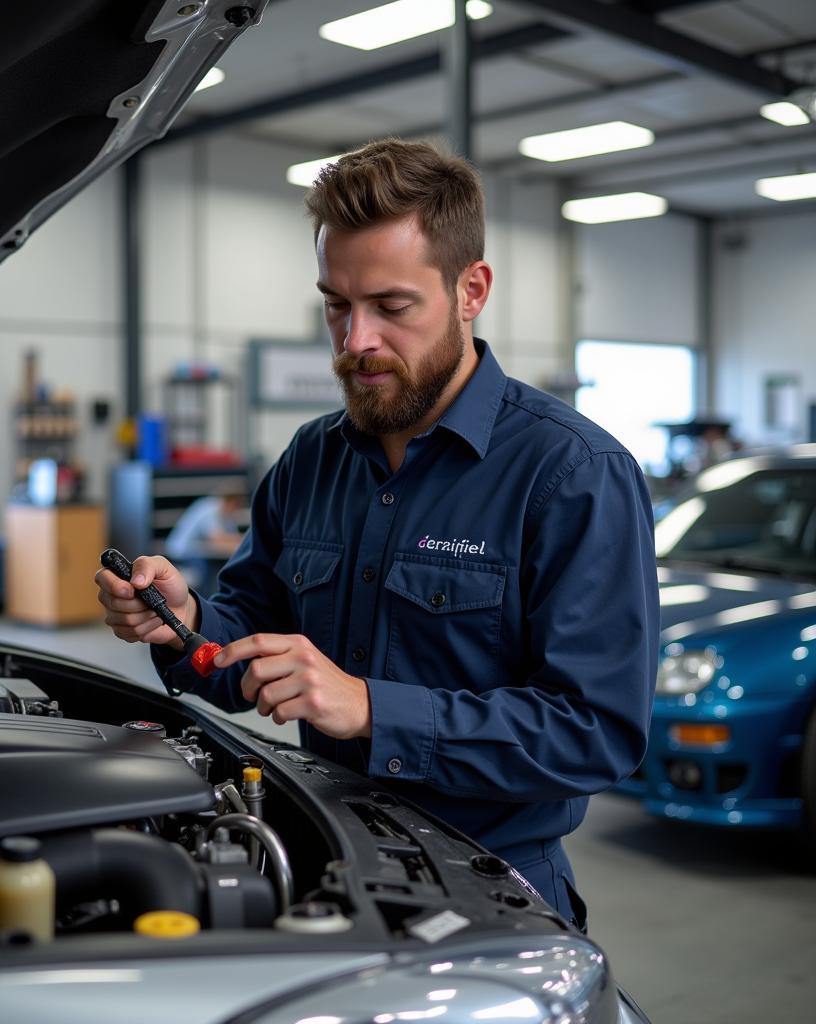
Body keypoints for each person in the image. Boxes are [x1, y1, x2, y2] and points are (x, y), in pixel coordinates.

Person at [96, 139, 658, 929]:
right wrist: (183, 620)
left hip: (496, 891)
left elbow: (596, 733)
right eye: (336, 304)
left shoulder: (572, 473)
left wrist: (371, 709)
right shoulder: (311, 460)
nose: (355, 341)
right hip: (328, 861)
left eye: (392, 307)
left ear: (471, 290)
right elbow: (243, 645)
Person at [164, 485, 246, 594]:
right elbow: (217, 539)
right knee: (207, 575)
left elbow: (232, 538)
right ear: (231, 502)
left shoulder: (227, 515)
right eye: (236, 507)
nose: (236, 512)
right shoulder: (210, 508)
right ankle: (204, 602)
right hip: (183, 553)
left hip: (199, 553)